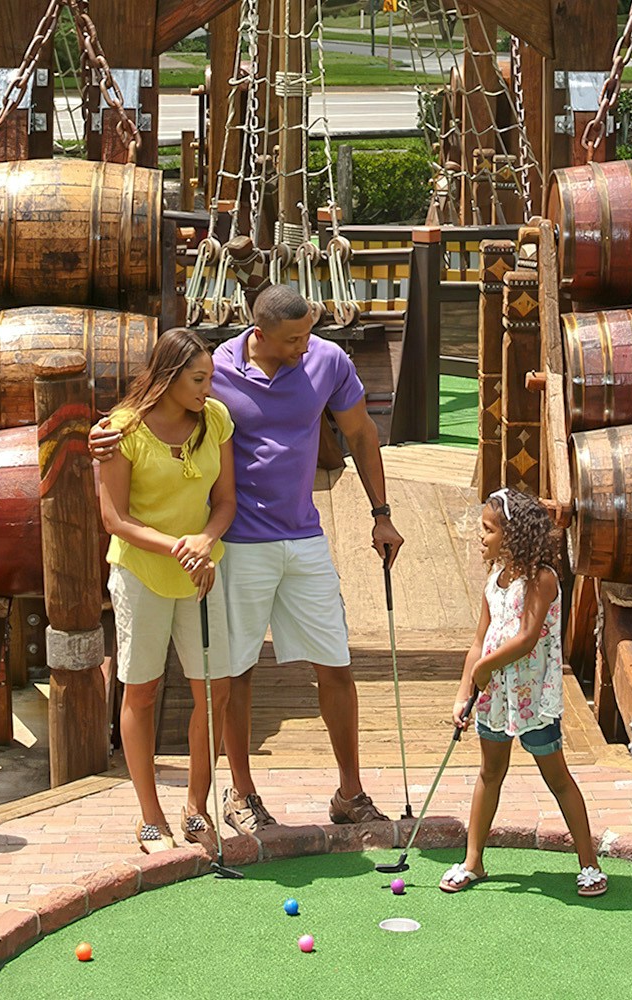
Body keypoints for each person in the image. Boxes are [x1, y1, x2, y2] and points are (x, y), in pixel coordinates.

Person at [92, 285, 405, 833]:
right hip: (236, 544)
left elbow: (360, 432)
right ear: (258, 333)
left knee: (336, 663)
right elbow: (149, 412)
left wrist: (381, 512)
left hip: (303, 535)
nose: (305, 346)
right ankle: (242, 796)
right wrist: (100, 435)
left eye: (308, 333)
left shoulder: (327, 360)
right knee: (233, 674)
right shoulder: (215, 373)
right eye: (293, 339)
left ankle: (350, 793)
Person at [96, 328, 238, 854]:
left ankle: (197, 808)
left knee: (213, 692)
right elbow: (114, 518)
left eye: (211, 378)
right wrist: (179, 546)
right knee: (142, 691)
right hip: (142, 575)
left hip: (200, 570)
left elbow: (225, 502)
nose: (208, 388)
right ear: (169, 378)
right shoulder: (120, 430)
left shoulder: (216, 420)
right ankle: (151, 817)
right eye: (199, 379)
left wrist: (204, 540)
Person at [441, 488, 607, 898]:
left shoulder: (542, 578)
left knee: (557, 778)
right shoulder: (494, 580)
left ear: (513, 534)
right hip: (494, 697)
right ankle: (473, 861)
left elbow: (528, 637)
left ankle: (589, 863)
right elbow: (479, 640)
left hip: (532, 697)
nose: (481, 536)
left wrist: (483, 669)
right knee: (489, 772)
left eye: (488, 529)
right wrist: (465, 690)